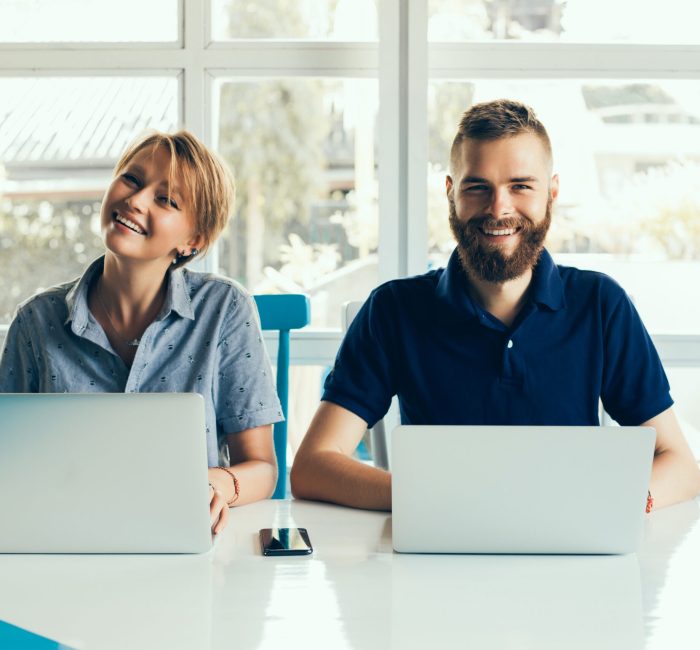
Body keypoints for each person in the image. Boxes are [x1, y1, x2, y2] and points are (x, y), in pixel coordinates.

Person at [291, 99, 700, 512]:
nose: (499, 208)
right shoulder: (394, 309)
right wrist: (436, 499)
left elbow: (680, 464)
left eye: (520, 186)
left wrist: (621, 502)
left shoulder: (600, 304)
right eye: (477, 187)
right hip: (436, 556)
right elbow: (313, 466)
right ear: (451, 193)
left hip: (570, 555)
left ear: (551, 193)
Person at [0, 130, 283, 533]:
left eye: (165, 199)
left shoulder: (225, 309)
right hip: (61, 541)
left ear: (193, 240)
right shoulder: (34, 322)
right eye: (131, 179)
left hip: (182, 539)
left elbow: (263, 469)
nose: (135, 200)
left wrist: (219, 482)